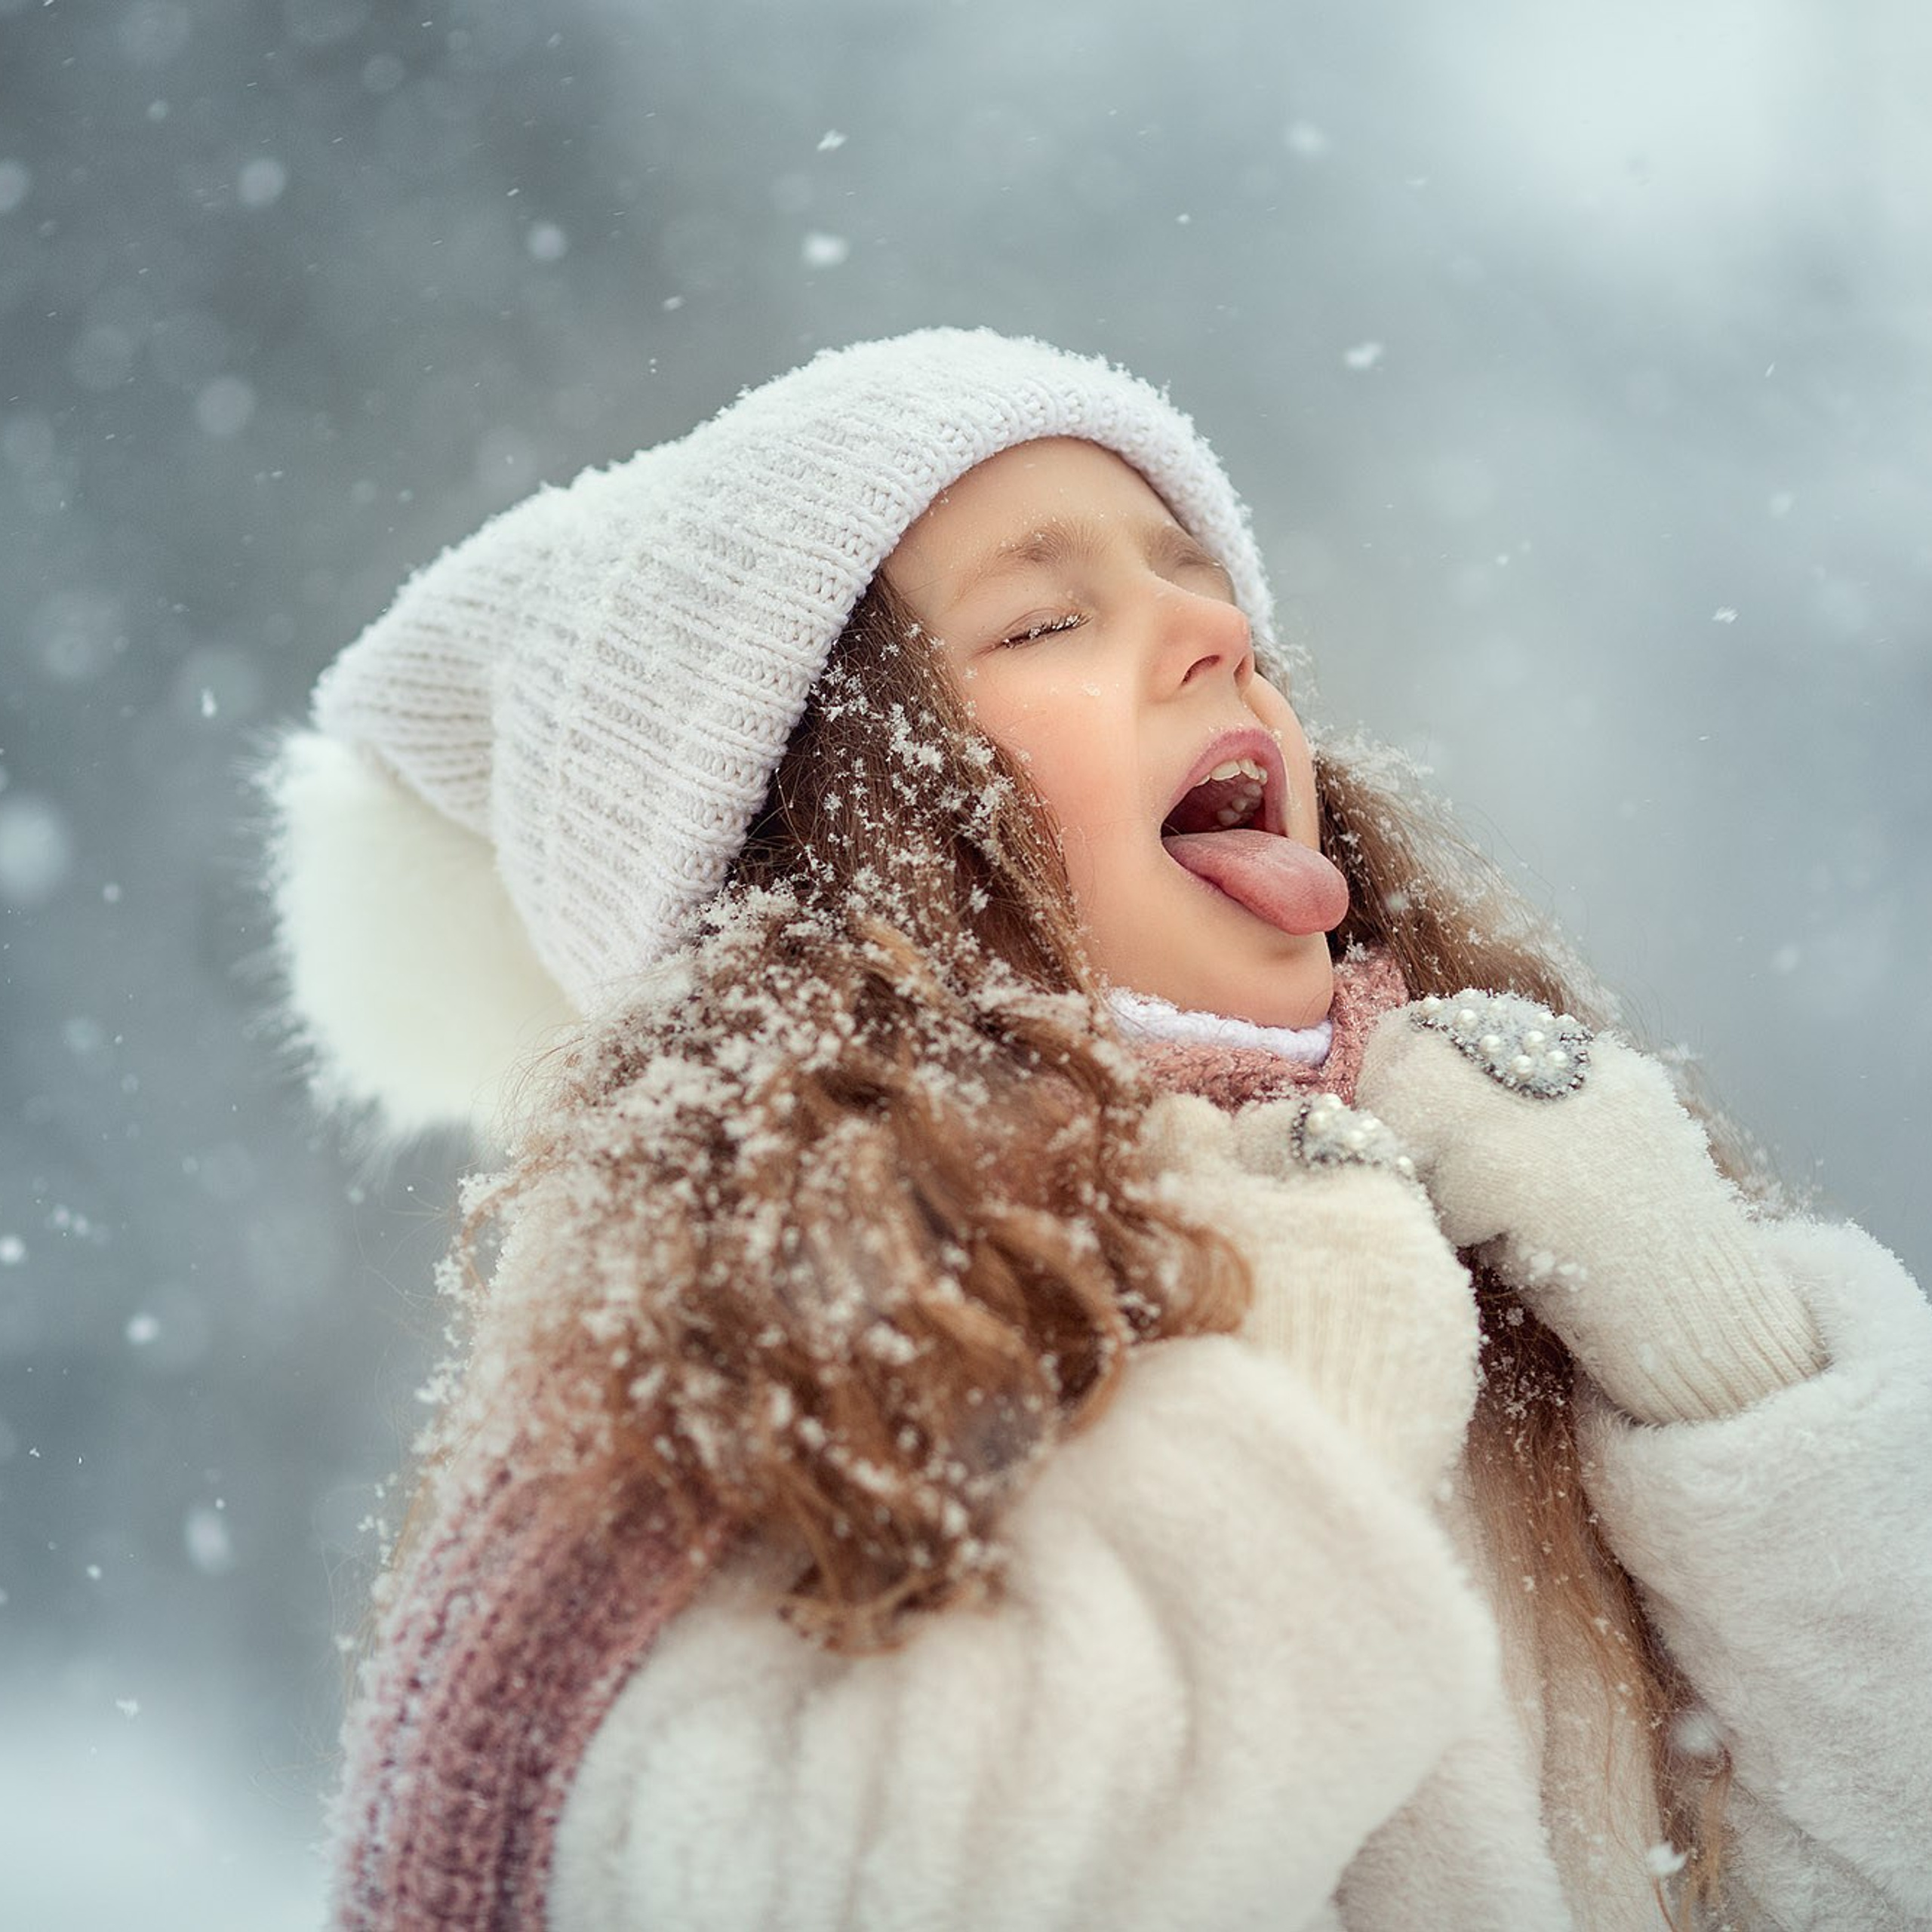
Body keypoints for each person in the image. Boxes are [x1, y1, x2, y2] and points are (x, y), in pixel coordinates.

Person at [260, 328, 1932, 1931]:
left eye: (1200, 584)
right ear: (841, 835)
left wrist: (1719, 1355)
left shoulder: (1498, 1240)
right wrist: (1309, 1417)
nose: (1214, 634)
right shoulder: (761, 1297)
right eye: (1045, 620)